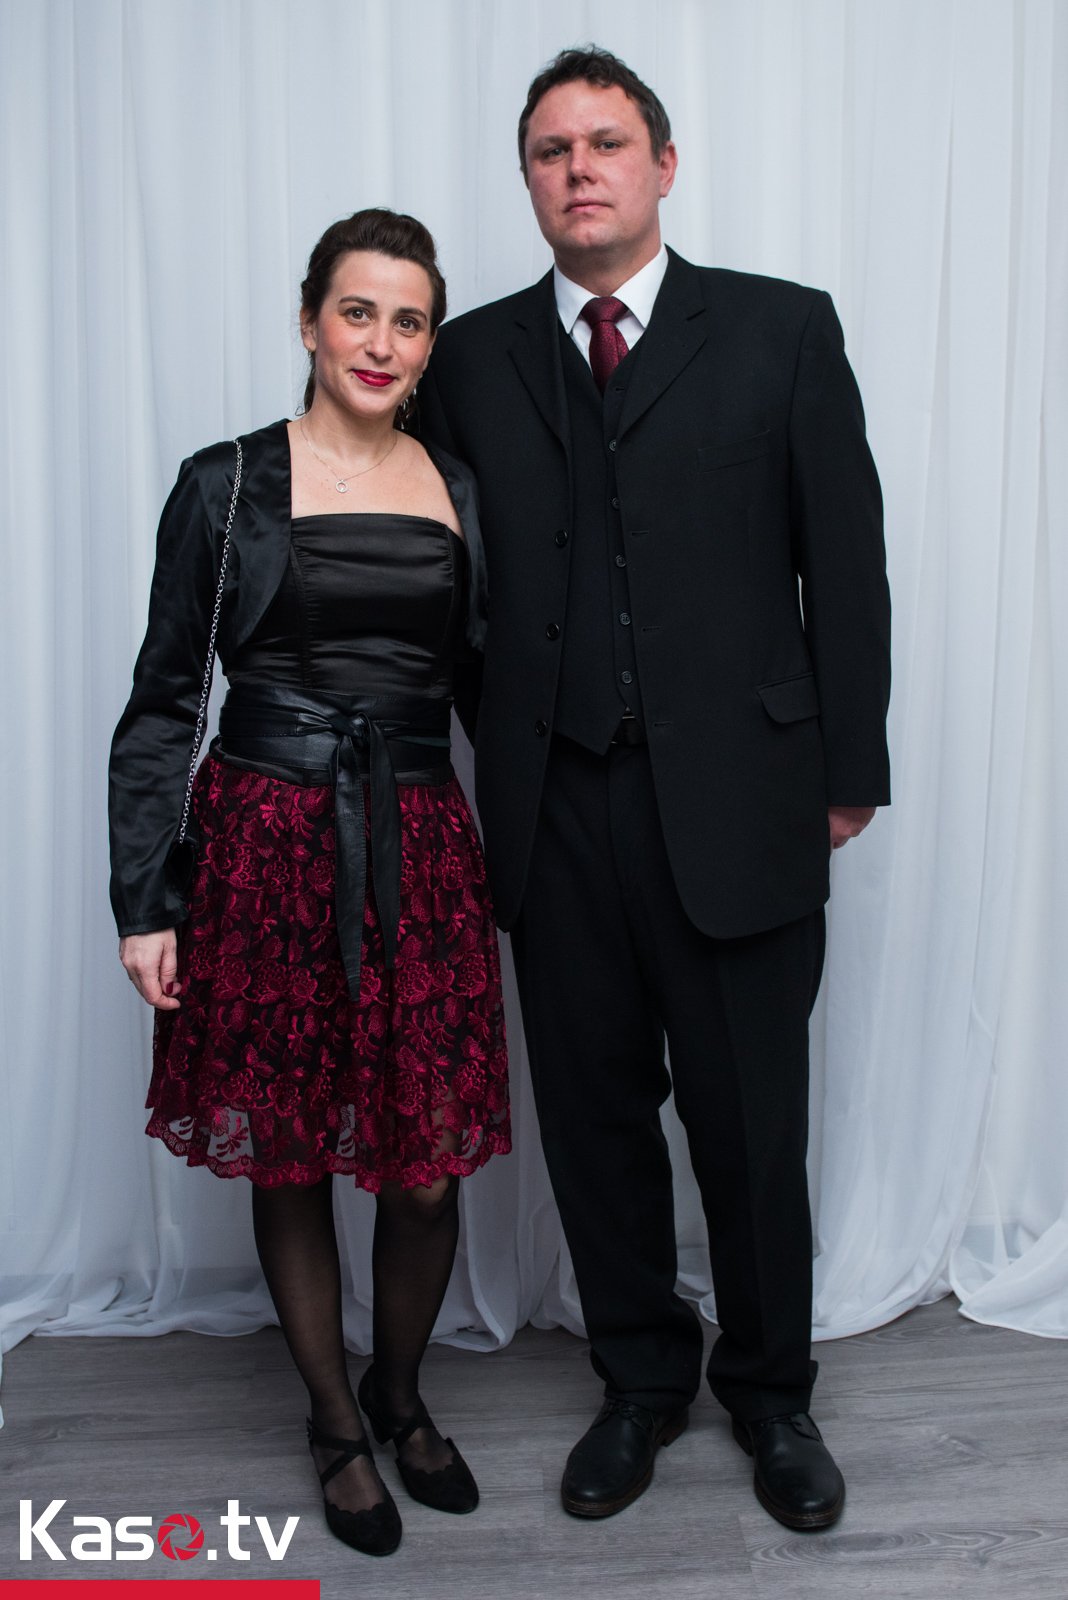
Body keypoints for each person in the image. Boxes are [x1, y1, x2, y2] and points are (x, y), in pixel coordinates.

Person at [419, 48, 890, 1531]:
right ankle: (638, 1381)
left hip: (747, 800)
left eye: (607, 142)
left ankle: (773, 1395)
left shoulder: (781, 329)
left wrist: (849, 770)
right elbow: (445, 593)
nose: (580, 169)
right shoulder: (471, 361)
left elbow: (846, 564)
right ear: (529, 181)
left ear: (663, 165)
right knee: (595, 1119)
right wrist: (497, 743)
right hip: (555, 810)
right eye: (550, 150)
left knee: (751, 1126)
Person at [109, 209, 509, 1558]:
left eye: (408, 319)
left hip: (422, 846)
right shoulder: (224, 483)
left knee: (426, 1161)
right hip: (266, 847)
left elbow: (491, 690)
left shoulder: (461, 488)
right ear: (308, 321)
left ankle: (401, 1395)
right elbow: (164, 702)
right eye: (357, 311)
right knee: (288, 1145)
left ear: (428, 344)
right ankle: (336, 1424)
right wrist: (145, 900)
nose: (380, 341)